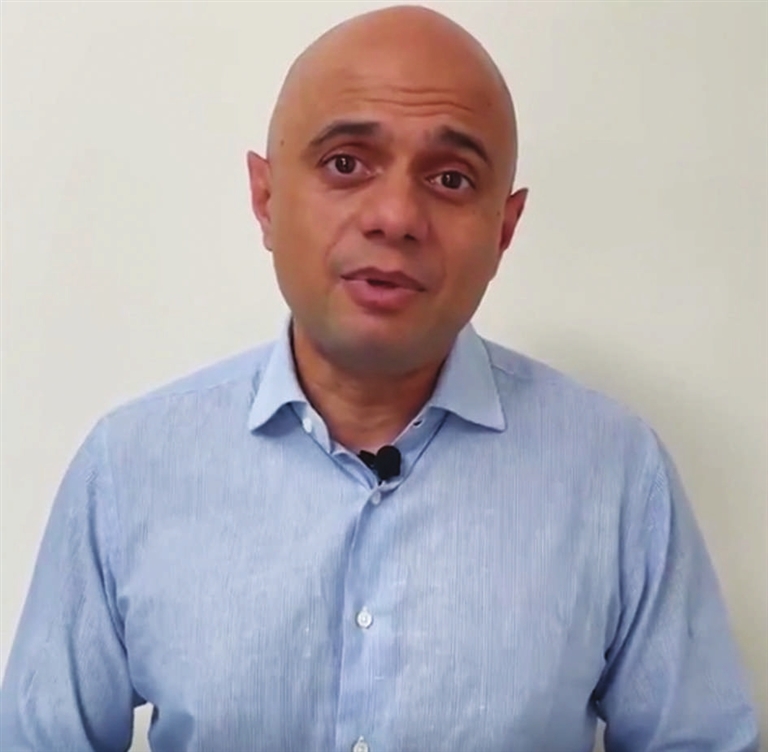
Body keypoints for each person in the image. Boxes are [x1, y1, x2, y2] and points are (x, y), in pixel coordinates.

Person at [0, 5, 759, 751]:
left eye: (451, 178)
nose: (395, 216)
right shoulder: (130, 469)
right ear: (265, 198)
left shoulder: (616, 475)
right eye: (345, 164)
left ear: (504, 229)